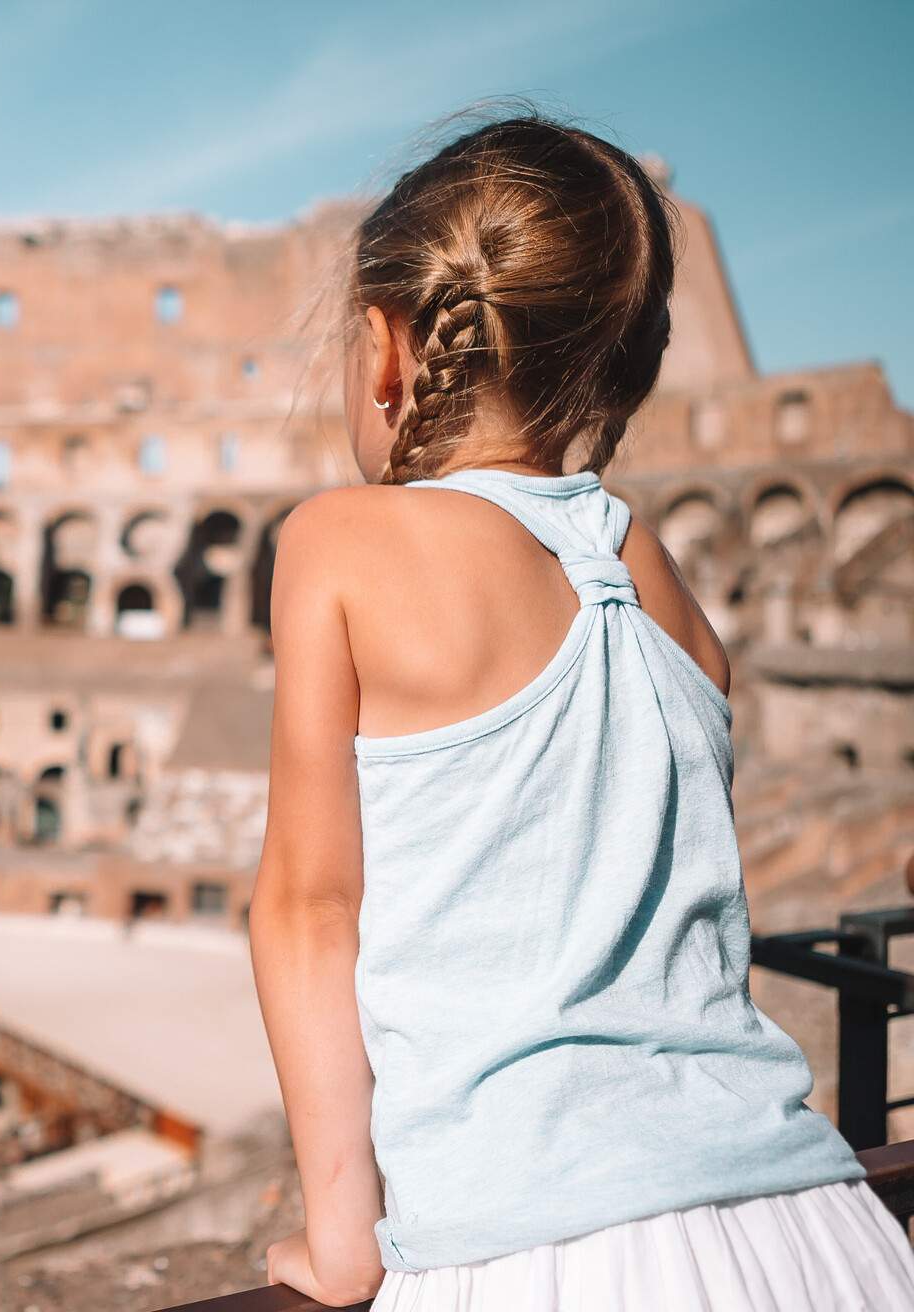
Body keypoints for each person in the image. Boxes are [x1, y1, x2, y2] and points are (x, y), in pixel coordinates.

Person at [243, 109, 914, 1310]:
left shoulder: (340, 543)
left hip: (537, 1243)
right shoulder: (660, 579)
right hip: (814, 1227)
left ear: (387, 348)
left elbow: (307, 907)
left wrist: (345, 1239)